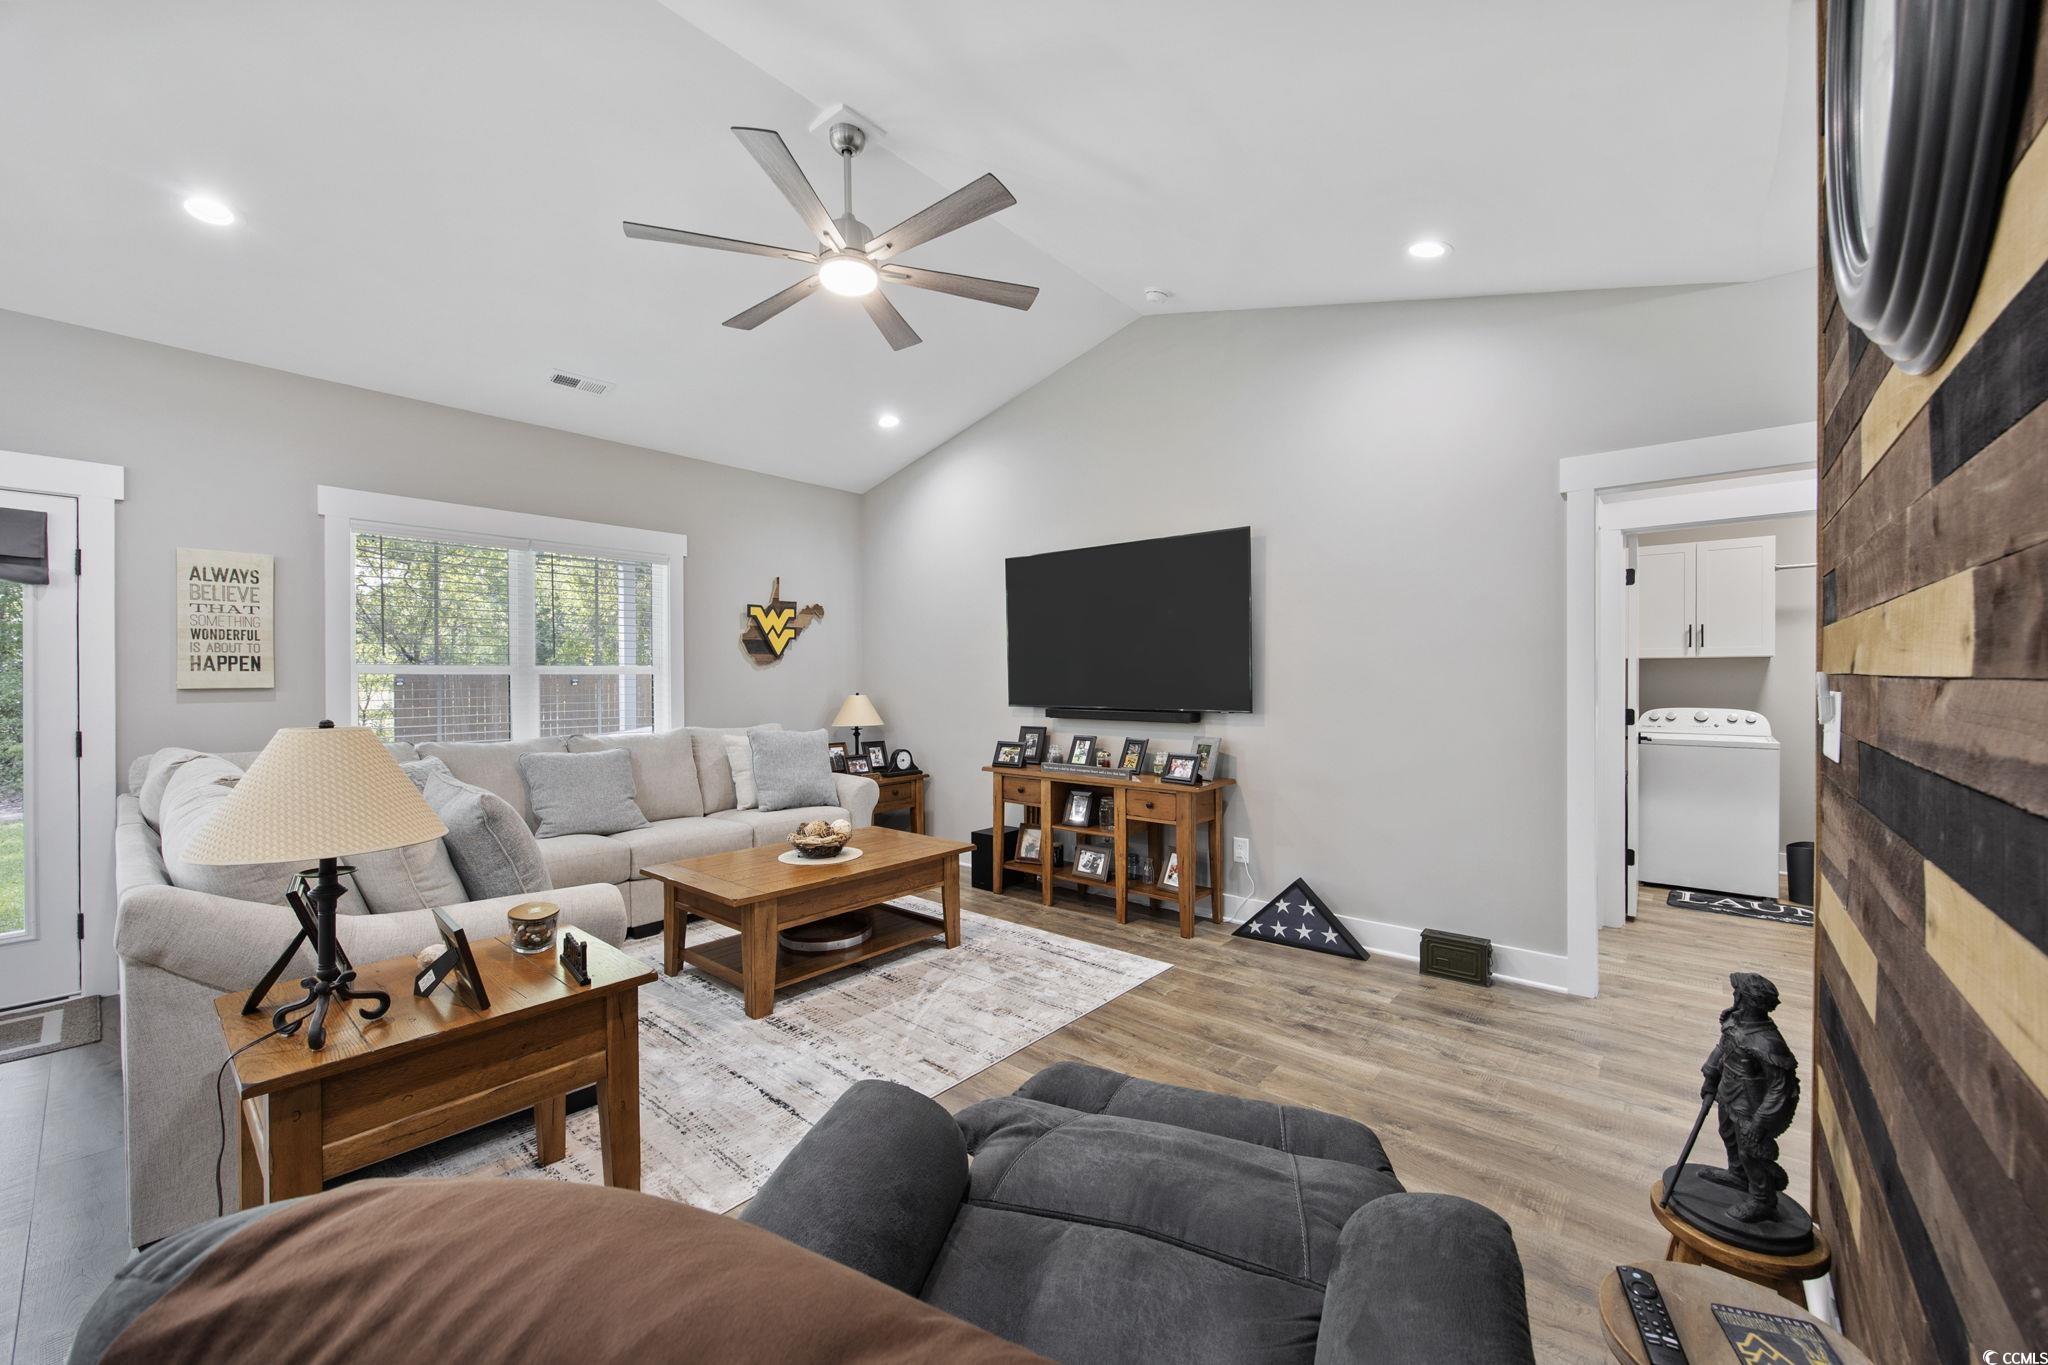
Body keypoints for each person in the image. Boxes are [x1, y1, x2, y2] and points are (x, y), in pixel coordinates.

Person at [1698, 972, 1799, 1221]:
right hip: (1728, 1090)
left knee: (1750, 1151)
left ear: (1746, 999)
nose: (1734, 995)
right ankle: (1737, 1174)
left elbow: (1780, 1087)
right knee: (1728, 1134)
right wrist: (1711, 1075)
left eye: (1738, 992)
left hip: (1750, 1103)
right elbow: (1722, 1049)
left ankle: (1762, 1198)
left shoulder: (1767, 1042)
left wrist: (1761, 1121)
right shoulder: (1735, 1022)